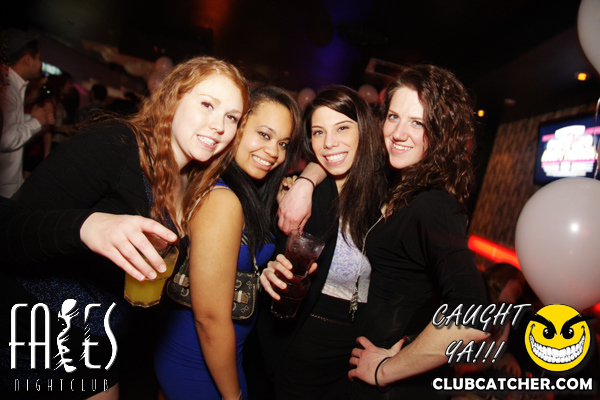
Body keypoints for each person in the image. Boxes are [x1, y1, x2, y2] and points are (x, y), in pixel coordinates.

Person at [0, 56, 250, 400]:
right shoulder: (115, 144)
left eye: (231, 117)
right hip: (35, 339)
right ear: (173, 97)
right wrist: (87, 226)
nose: (219, 125)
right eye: (207, 104)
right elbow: (9, 229)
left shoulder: (193, 183)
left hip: (101, 345)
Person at [279, 65, 490, 398]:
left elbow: (473, 316)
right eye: (394, 117)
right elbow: (332, 154)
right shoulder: (397, 183)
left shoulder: (432, 205)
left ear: (442, 132)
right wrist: (305, 182)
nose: (399, 133)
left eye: (418, 123)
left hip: (390, 384)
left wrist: (386, 370)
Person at [153, 86, 302, 400]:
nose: (273, 152)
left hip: (218, 354)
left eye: (283, 143)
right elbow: (209, 318)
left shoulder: (244, 193)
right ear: (237, 128)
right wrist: (233, 395)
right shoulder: (222, 200)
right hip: (197, 359)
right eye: (264, 134)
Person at [257, 86, 387, 399]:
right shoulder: (306, 195)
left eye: (342, 128)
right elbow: (270, 255)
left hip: (357, 356)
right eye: (318, 132)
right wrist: (268, 273)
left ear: (364, 130)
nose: (329, 142)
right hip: (301, 346)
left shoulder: (387, 196)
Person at [0, 28, 54, 198]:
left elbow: (10, 125)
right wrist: (36, 122)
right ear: (28, 60)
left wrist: (33, 117)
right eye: (39, 58)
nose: (40, 63)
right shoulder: (8, 89)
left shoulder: (14, 86)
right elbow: (5, 139)